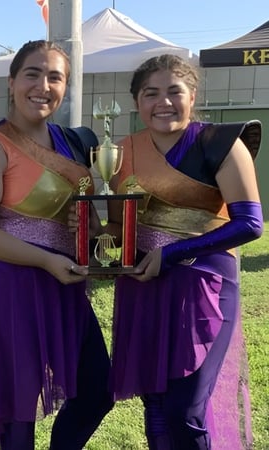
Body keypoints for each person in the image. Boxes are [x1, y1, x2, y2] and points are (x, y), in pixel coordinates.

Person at [0, 40, 114, 449]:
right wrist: (46, 260)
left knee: (97, 390)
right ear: (11, 82)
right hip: (10, 286)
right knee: (17, 412)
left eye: (55, 77)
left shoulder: (72, 143)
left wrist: (98, 234)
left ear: (65, 87)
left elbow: (86, 219)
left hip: (65, 284)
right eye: (33, 74)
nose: (43, 85)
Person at [105, 54, 263, 449]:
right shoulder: (123, 151)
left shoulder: (222, 143)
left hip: (202, 288)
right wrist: (92, 231)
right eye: (150, 93)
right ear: (137, 102)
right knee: (154, 405)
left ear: (192, 96)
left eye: (174, 91)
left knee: (184, 409)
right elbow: (116, 225)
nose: (163, 102)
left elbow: (249, 224)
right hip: (143, 286)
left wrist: (172, 255)